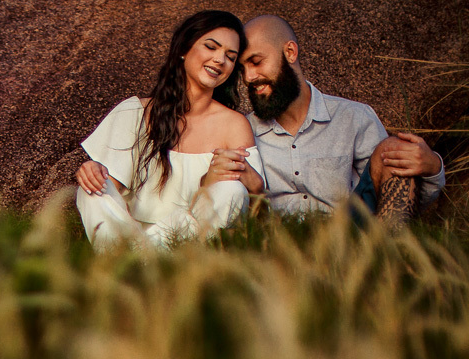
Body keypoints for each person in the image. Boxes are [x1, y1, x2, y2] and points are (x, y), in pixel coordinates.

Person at [75, 10, 265, 248]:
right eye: (211, 47)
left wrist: (214, 182)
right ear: (184, 50)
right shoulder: (134, 112)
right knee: (91, 190)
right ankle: (142, 257)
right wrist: (94, 170)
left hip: (190, 239)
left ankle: (138, 262)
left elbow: (253, 202)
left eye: (230, 56)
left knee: (232, 189)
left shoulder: (234, 124)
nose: (220, 60)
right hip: (127, 232)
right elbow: (112, 190)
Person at [239, 15, 445, 224]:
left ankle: (390, 249)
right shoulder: (243, 131)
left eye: (256, 62)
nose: (248, 77)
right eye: (242, 69)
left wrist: (433, 168)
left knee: (394, 151)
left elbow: (400, 196)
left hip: (350, 237)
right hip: (276, 245)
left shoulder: (353, 117)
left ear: (290, 52)